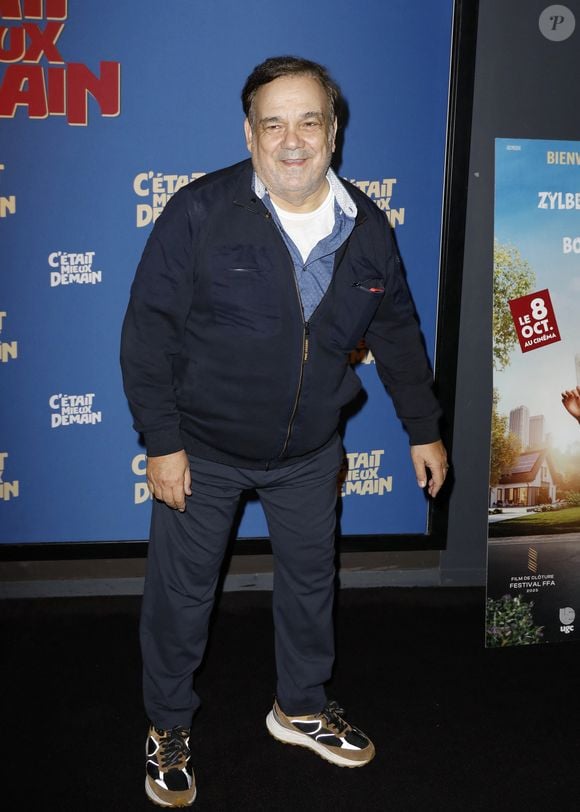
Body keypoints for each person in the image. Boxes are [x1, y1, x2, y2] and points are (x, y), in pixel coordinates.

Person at [121, 55, 448, 808]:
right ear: (250, 133)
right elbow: (148, 334)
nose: (292, 139)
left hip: (308, 454)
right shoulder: (200, 213)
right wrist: (162, 444)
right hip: (201, 448)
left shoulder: (367, 228)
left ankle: (299, 708)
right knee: (182, 597)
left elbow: (396, 331)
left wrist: (423, 429)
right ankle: (167, 725)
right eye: (274, 123)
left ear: (333, 132)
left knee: (309, 587)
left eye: (309, 121)